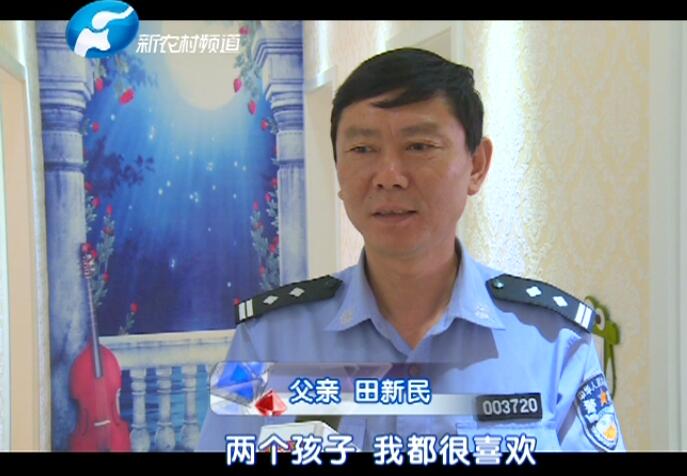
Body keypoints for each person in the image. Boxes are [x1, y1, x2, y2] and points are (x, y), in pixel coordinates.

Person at [197, 47, 625, 453]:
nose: (389, 176)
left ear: (476, 165)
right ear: (339, 171)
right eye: (362, 149)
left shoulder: (552, 343)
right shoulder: (265, 341)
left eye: (419, 146)